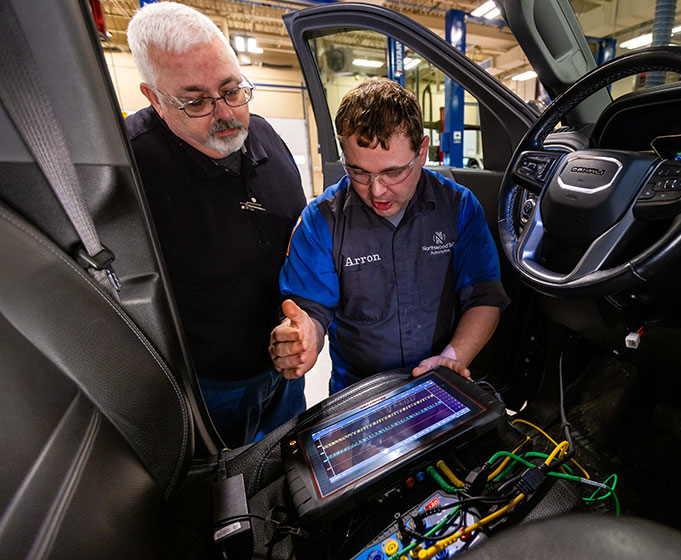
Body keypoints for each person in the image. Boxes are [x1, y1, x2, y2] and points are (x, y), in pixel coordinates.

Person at [125, 2, 307, 447]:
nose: (225, 113)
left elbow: (300, 241)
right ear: (154, 98)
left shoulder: (264, 135)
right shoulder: (129, 167)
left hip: (286, 375)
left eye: (231, 89)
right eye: (196, 102)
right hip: (208, 391)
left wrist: (310, 322)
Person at [269, 77, 508, 393]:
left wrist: (452, 358)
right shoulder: (320, 221)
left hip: (441, 380)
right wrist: (303, 339)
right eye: (358, 171)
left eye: (393, 172)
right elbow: (310, 309)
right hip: (359, 391)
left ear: (422, 151)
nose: (377, 190)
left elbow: (484, 295)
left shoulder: (459, 207)